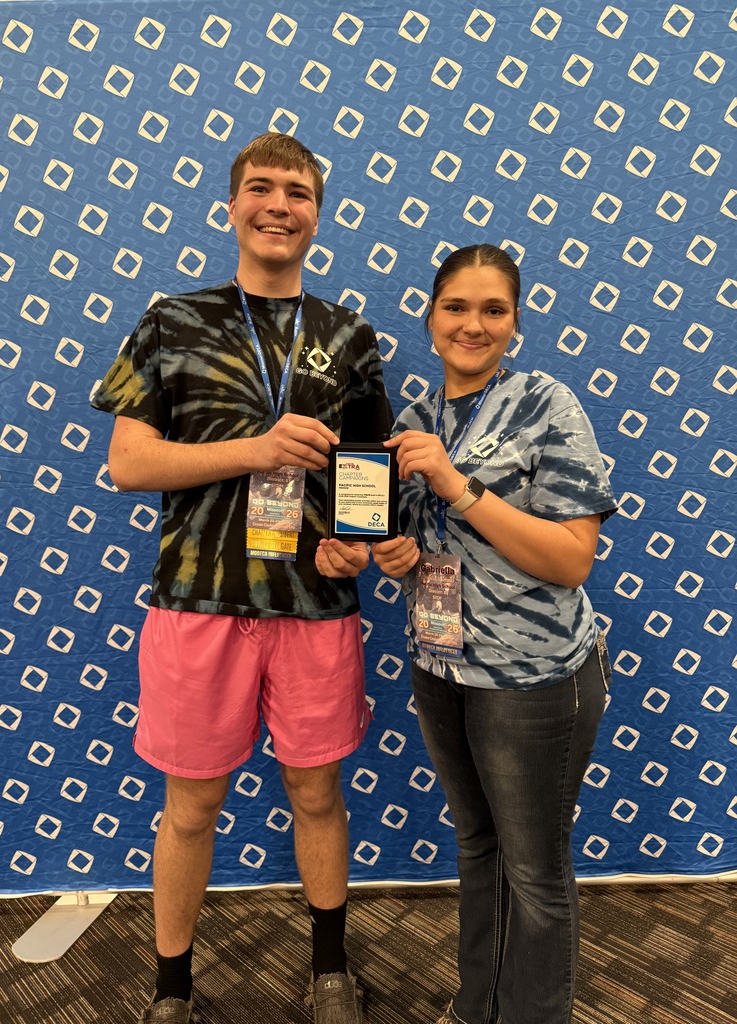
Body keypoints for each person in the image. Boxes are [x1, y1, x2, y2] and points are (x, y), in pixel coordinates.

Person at [91, 133, 393, 1024]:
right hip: (198, 603)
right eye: (261, 188)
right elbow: (128, 463)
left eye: (297, 192)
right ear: (231, 207)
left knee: (317, 793)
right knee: (191, 807)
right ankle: (171, 991)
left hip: (315, 607)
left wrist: (357, 543)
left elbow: (368, 470)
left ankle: (330, 972)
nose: (278, 206)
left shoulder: (348, 334)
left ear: (317, 215)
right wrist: (255, 450)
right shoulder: (172, 322)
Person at [370, 244, 616, 1024]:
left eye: (492, 310)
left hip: (533, 680)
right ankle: (475, 1008)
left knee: (534, 872)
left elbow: (571, 559)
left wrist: (457, 484)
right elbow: (425, 552)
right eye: (456, 307)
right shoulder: (412, 423)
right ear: (430, 316)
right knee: (477, 849)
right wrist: (398, 559)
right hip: (441, 667)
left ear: (514, 323)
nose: (472, 324)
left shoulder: (547, 403)